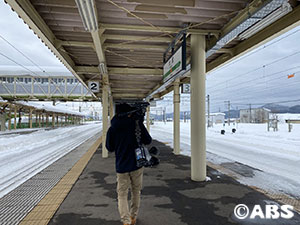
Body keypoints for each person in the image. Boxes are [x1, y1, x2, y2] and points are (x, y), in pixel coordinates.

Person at [106, 103, 152, 225]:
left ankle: (125, 221)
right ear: (129, 113)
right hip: (137, 165)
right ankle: (133, 217)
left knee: (122, 194)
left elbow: (109, 147)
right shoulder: (136, 125)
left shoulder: (112, 129)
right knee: (136, 191)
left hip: (121, 166)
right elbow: (148, 140)